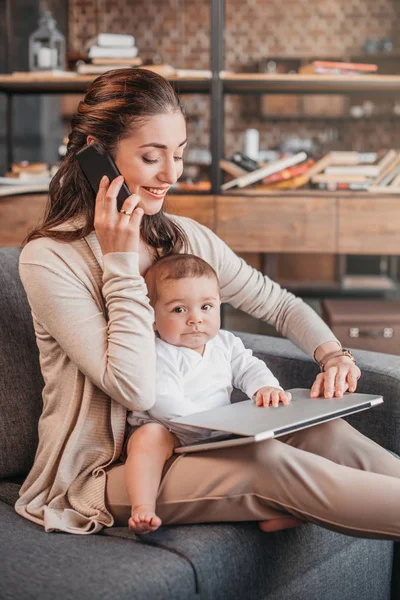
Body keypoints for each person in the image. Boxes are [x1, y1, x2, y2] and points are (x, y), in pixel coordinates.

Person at [16, 68, 400, 539]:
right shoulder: (50, 260)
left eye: (177, 155)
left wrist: (333, 353)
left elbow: (277, 304)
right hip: (113, 469)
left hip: (195, 438)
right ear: (98, 155)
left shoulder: (184, 239)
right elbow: (134, 391)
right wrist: (119, 260)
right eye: (151, 157)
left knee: (326, 433)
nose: (172, 174)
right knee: (269, 462)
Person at [125, 253, 300, 534]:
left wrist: (266, 387)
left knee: (267, 448)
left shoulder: (226, 343)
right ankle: (142, 508)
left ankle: (275, 509)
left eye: (206, 307)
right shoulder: (157, 352)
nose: (195, 319)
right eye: (179, 310)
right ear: (153, 318)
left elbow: (249, 367)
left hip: (217, 431)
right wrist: (213, 427)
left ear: (219, 306)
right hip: (171, 430)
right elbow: (163, 401)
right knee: (148, 439)